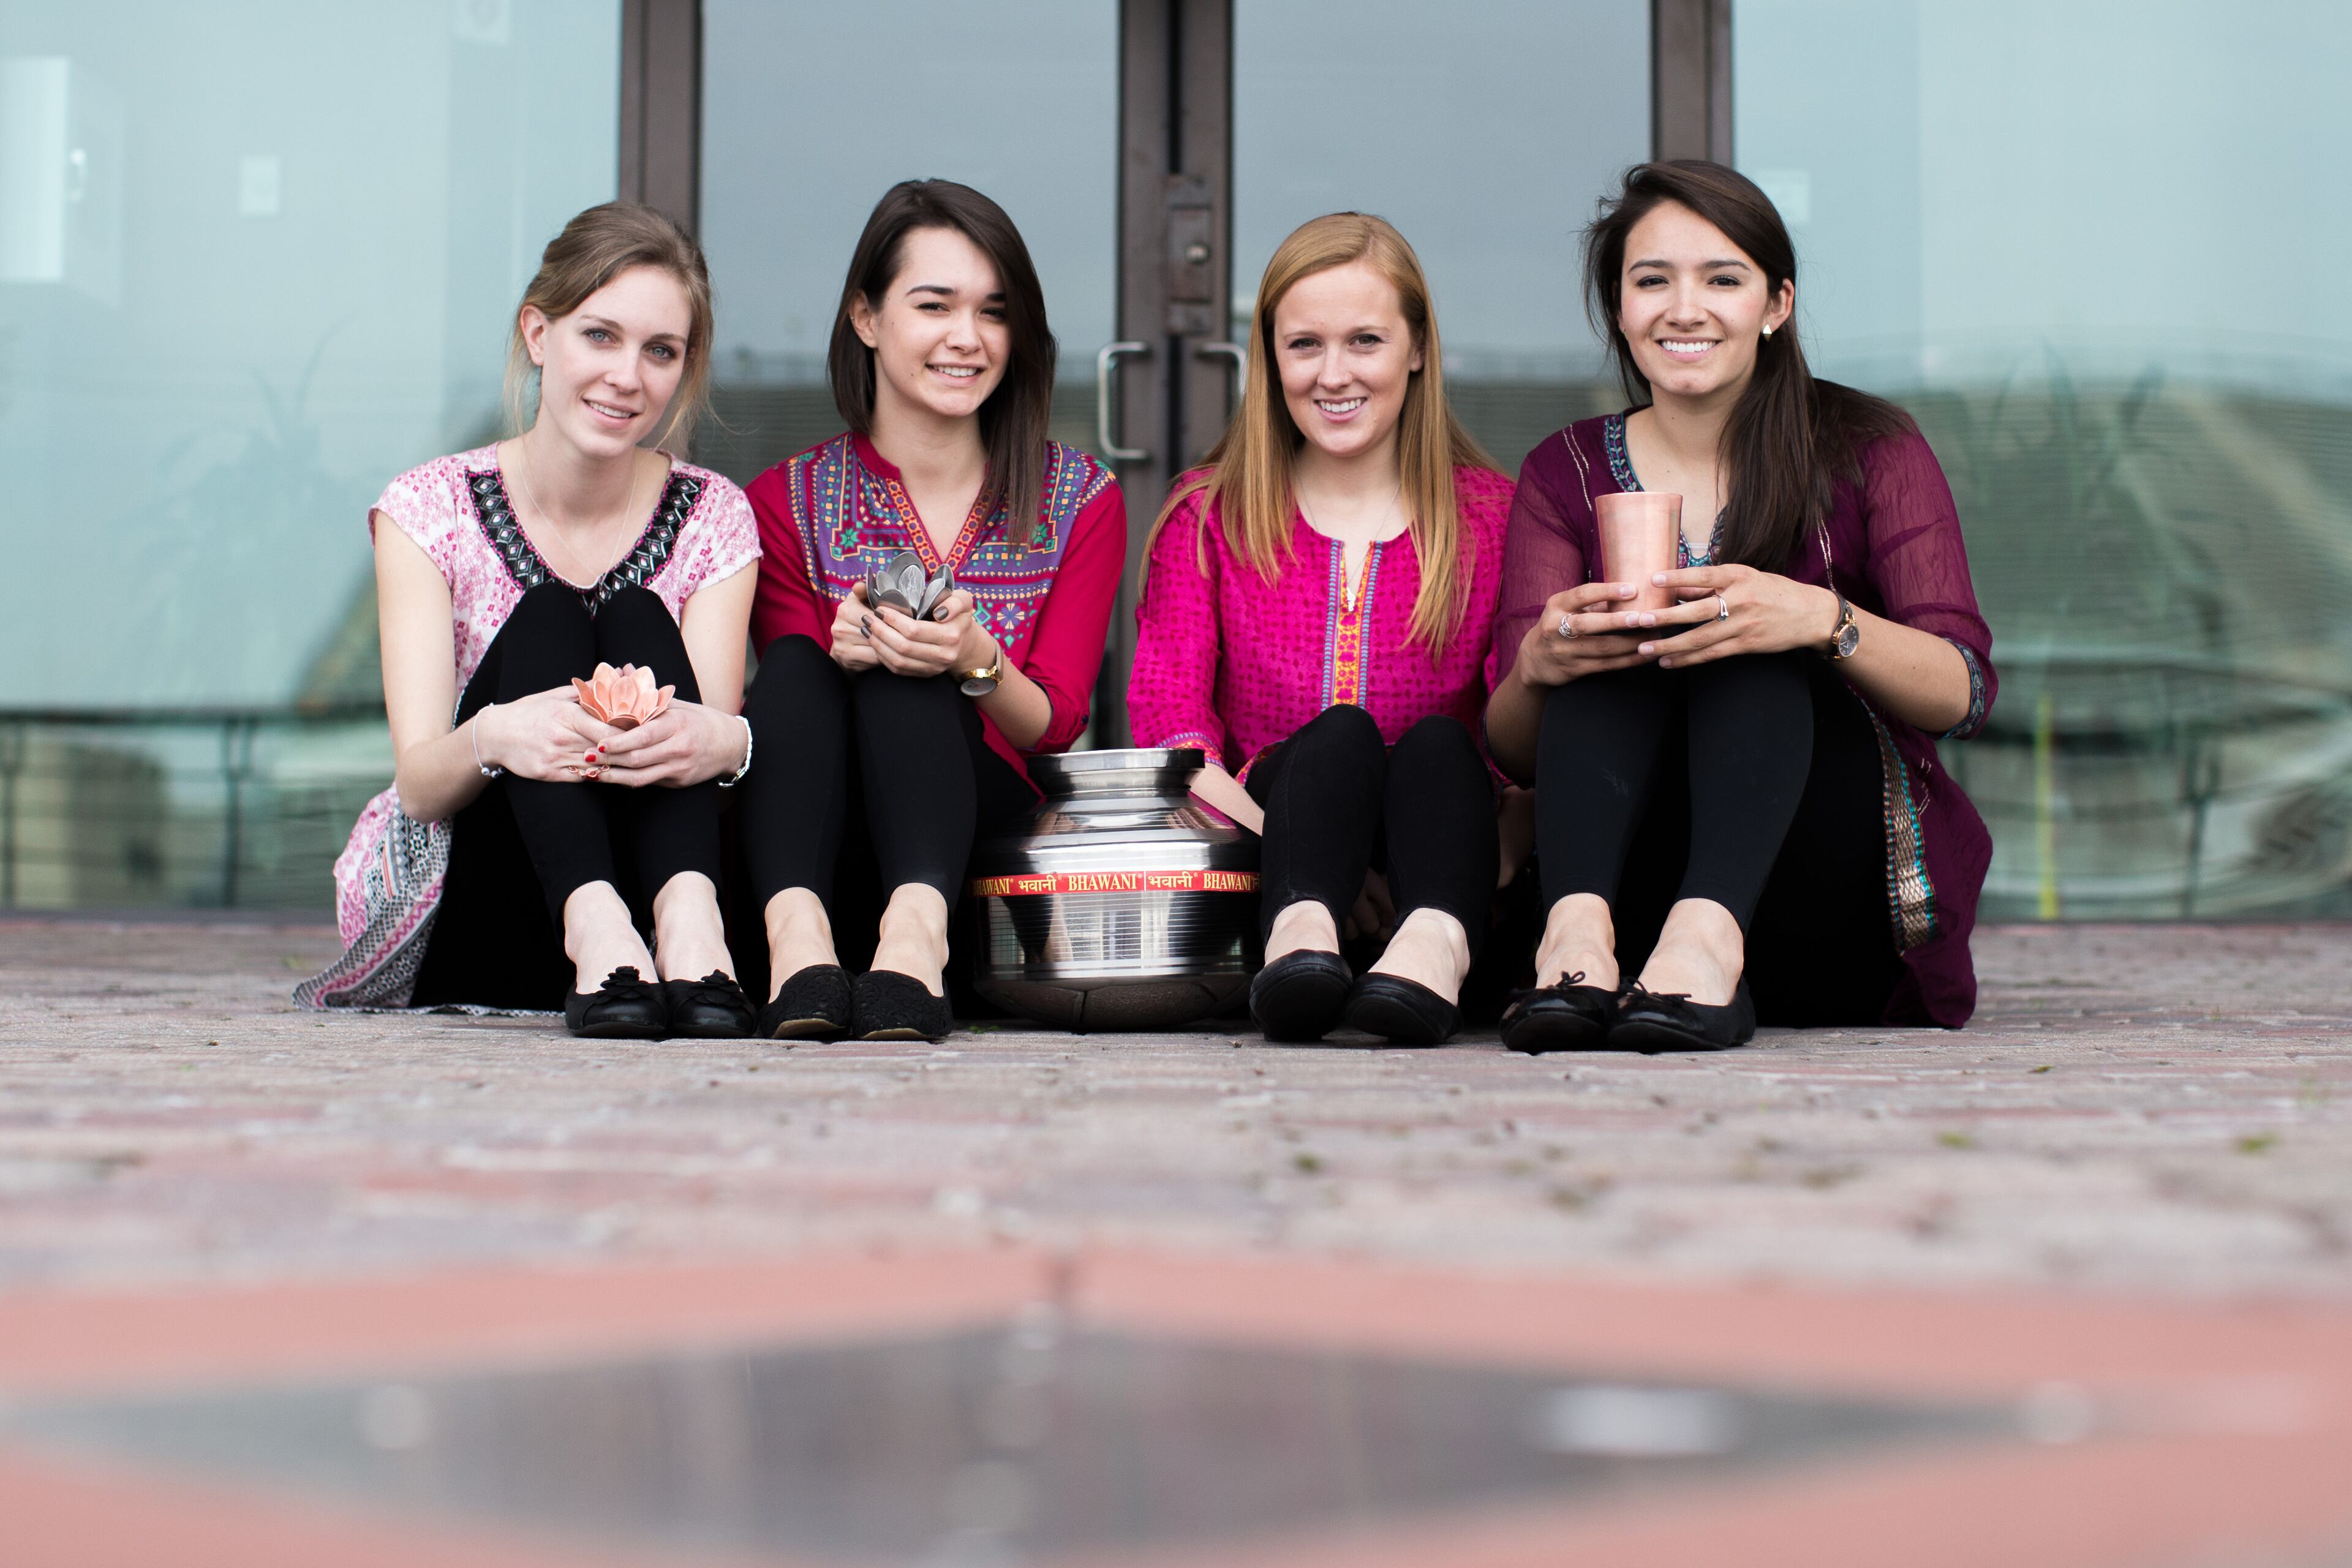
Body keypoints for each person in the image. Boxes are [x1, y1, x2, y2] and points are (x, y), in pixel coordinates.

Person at [1484, 161, 1997, 1054]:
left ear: (1776, 305)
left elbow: (1964, 691)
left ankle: (1712, 935)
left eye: (1722, 279)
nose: (1686, 309)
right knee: (1617, 646)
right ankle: (1570, 942)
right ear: (1621, 309)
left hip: (1826, 889)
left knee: (1749, 644)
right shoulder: (1562, 469)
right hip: (1628, 925)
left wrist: (1818, 620)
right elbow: (1514, 747)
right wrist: (1540, 663)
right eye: (1653, 281)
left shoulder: (1870, 448)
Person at [298, 202, 761, 1038]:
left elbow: (699, 745)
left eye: (660, 351)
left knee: (635, 617)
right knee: (548, 616)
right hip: (490, 911)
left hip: (670, 944)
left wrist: (726, 741)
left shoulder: (713, 514)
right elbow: (420, 784)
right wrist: (499, 734)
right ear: (539, 334)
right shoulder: (428, 506)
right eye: (601, 336)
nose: (629, 375)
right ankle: (594, 926)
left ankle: (692, 927)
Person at [738, 181, 1125, 1044]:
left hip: (983, 861)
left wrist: (975, 660)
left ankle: (916, 944)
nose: (967, 337)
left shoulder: (1081, 498)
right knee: (815, 664)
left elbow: (1056, 728)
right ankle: (796, 949)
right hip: (826, 848)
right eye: (934, 305)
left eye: (994, 311)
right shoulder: (783, 501)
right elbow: (792, 711)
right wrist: (847, 646)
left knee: (918, 670)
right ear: (866, 318)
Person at [1129, 213, 1517, 1047]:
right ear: (1270, 357)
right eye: (1304, 345)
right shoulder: (1208, 515)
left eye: (1365, 341)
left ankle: (1432, 954)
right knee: (1339, 738)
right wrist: (1315, 862)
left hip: (1449, 858)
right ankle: (1302, 945)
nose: (1333, 374)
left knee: (1441, 750)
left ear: (1417, 349)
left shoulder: (1492, 517)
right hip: (1273, 862)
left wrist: (1477, 864)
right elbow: (1176, 735)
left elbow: (1518, 745)